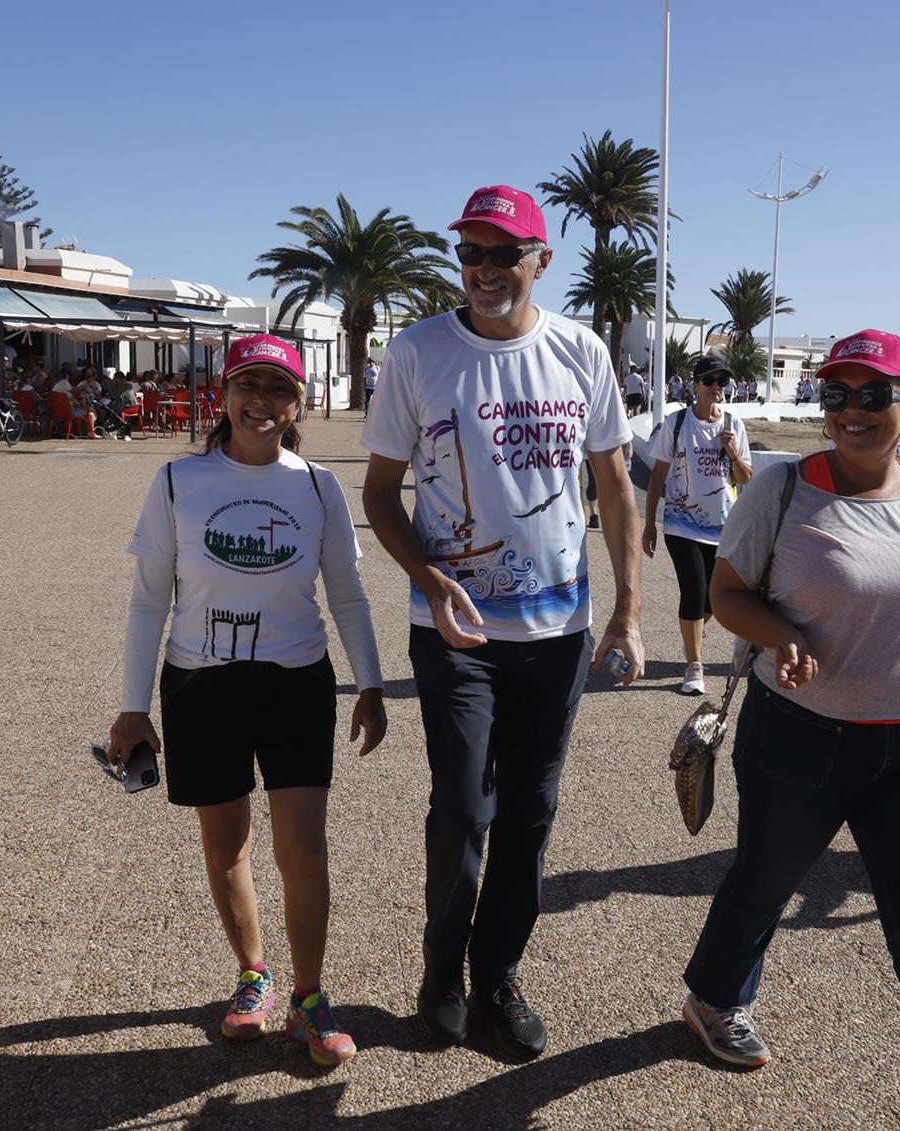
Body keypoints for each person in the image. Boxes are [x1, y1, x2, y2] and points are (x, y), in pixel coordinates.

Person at [681, 329, 900, 1131]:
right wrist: (783, 635)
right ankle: (714, 997)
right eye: (835, 395)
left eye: (872, 394)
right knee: (764, 880)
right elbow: (726, 592)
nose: (851, 412)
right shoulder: (785, 489)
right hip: (802, 735)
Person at [361, 184, 643, 1061]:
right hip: (456, 630)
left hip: (557, 633)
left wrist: (629, 609)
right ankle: (441, 972)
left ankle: (498, 978)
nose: (485, 271)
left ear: (540, 261)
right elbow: (378, 493)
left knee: (530, 811)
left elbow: (615, 488)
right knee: (460, 808)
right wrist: (428, 580)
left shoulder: (580, 352)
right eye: (471, 254)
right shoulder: (417, 355)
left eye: (503, 254)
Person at [106, 333, 386, 1068]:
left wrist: (373, 684)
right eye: (247, 387)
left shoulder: (319, 485)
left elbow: (349, 596)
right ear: (223, 394)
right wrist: (133, 705)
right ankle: (253, 974)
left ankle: (311, 997)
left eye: (278, 390)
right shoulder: (177, 480)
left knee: (303, 845)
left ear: (300, 403)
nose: (261, 403)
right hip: (200, 681)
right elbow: (147, 600)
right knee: (224, 841)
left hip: (296, 680)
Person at [642, 356, 753, 695]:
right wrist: (650, 524)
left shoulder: (734, 424)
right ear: (695, 385)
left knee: (714, 602)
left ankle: (691, 634)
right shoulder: (677, 424)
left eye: (722, 380)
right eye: (710, 380)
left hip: (724, 526)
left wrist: (733, 452)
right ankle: (694, 666)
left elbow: (745, 477)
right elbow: (658, 476)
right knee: (693, 592)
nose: (717, 386)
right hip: (681, 523)